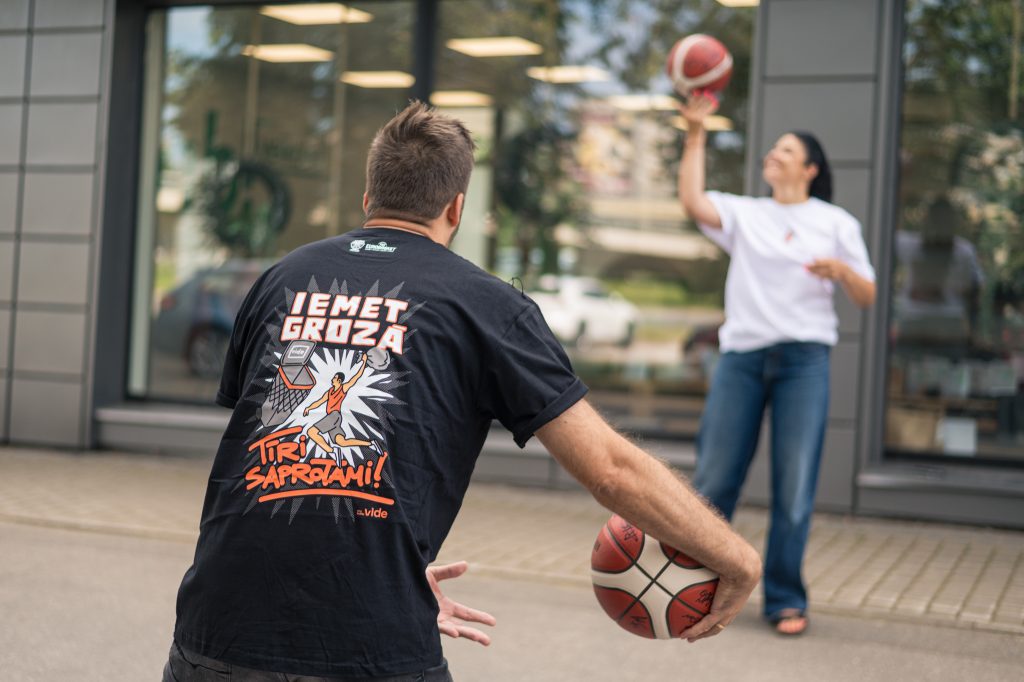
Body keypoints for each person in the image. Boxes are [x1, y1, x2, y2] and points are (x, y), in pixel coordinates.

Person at [164, 101, 761, 681]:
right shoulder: (487, 305)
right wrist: (736, 557)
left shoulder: (281, 280)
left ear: (368, 197)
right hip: (370, 643)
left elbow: (269, 455)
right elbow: (611, 470)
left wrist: (393, 571)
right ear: (456, 208)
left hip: (215, 629)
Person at [677, 92, 877, 636]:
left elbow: (868, 294)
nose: (773, 153)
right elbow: (694, 200)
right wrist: (696, 131)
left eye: (784, 150)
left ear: (809, 168)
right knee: (715, 478)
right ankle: (696, 588)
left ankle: (785, 597)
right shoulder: (747, 213)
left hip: (803, 362)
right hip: (741, 358)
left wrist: (840, 271)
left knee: (793, 488)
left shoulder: (835, 222)